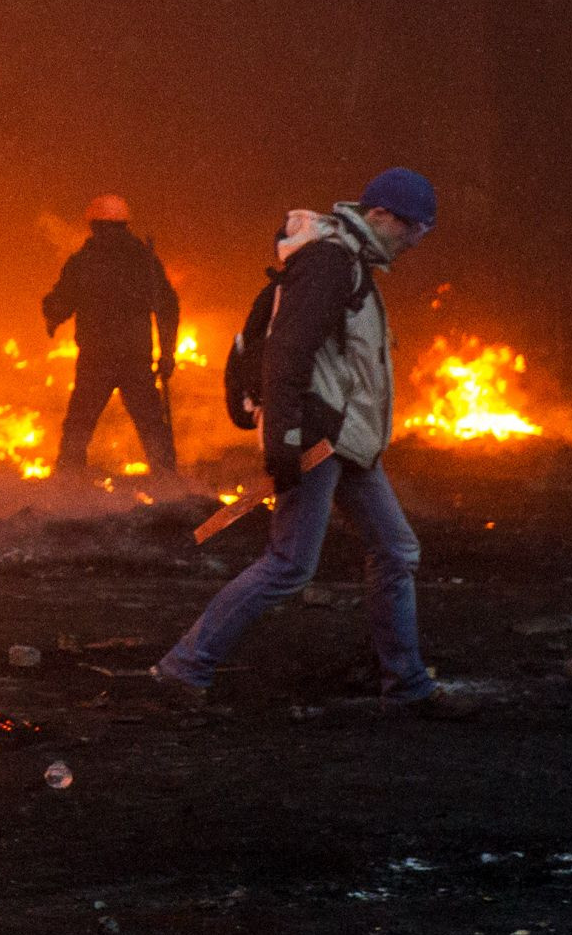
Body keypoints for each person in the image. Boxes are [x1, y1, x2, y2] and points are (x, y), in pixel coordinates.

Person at [155, 168, 472, 719]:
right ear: (379, 215)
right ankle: (184, 668)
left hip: (346, 442)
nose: (416, 240)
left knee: (396, 550)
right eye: (413, 228)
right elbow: (287, 353)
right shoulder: (330, 264)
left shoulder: (346, 263)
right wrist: (284, 441)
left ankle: (408, 686)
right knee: (289, 566)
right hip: (317, 442)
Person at [41, 193, 182, 480]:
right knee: (152, 426)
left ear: (94, 225)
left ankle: (66, 485)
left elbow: (61, 302)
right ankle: (169, 485)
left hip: (98, 359)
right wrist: (167, 354)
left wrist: (51, 314)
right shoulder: (143, 259)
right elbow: (168, 307)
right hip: (133, 358)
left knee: (79, 426)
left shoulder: (84, 261)